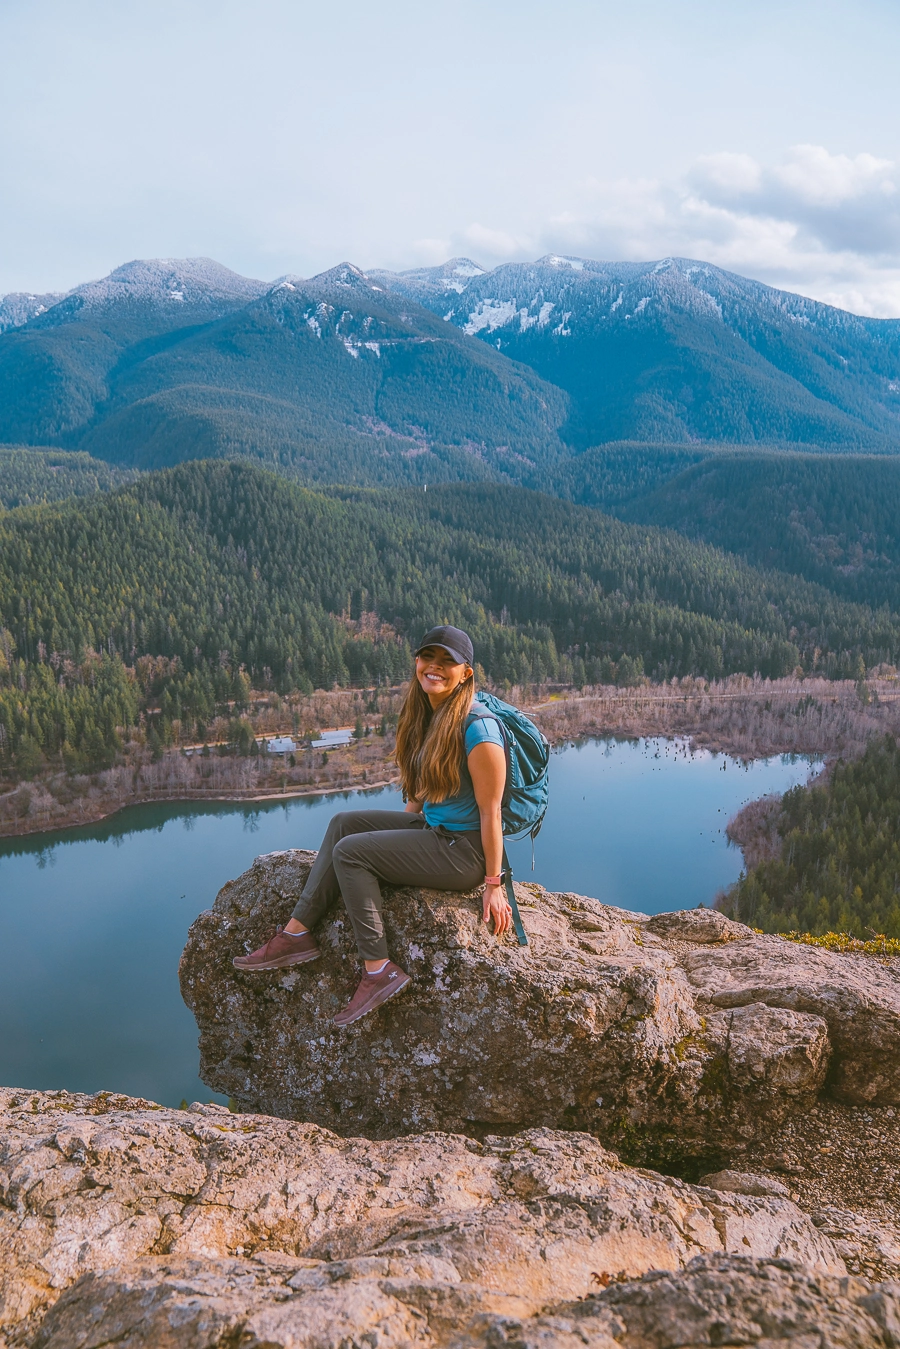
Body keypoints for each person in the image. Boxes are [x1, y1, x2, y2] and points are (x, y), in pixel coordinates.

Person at [233, 625, 513, 1026]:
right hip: (437, 834)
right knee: (345, 823)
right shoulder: (430, 714)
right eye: (427, 657)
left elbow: (491, 812)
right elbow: (421, 789)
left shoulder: (479, 730)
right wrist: (395, 839)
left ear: (466, 673)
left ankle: (378, 969)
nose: (434, 667)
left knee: (353, 853)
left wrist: (493, 883)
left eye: (447, 661)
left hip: (465, 853)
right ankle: (296, 934)